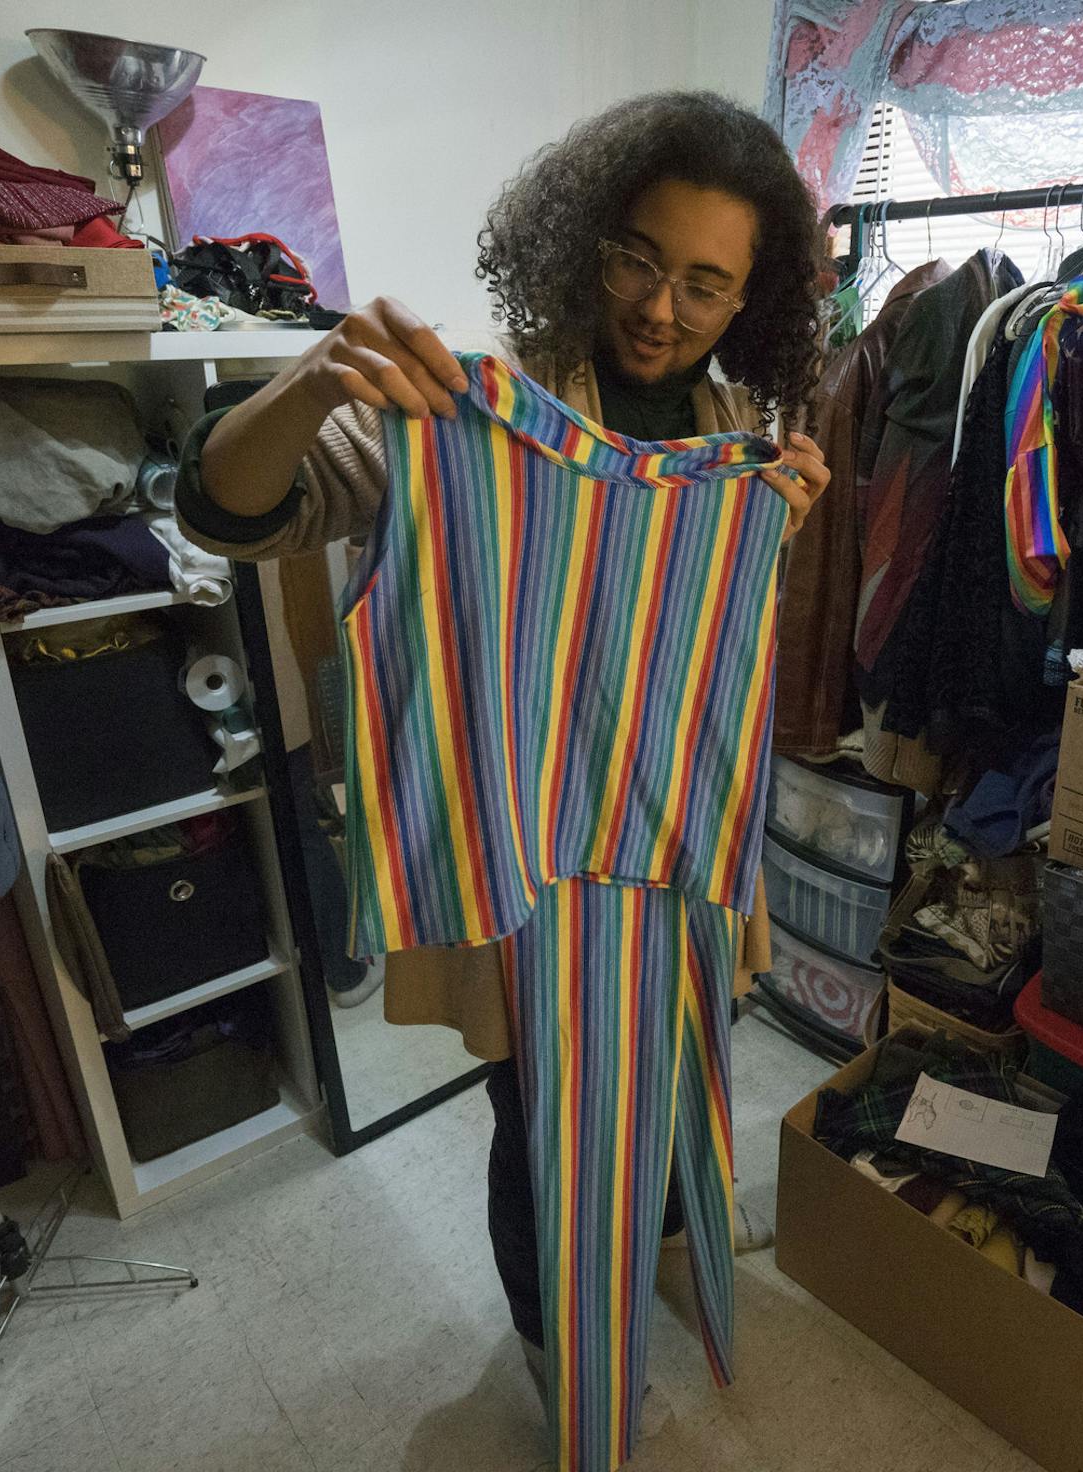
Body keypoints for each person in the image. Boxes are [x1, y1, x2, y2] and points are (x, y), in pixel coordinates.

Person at [175, 89, 829, 1427]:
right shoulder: (467, 409)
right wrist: (314, 375)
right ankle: (553, 1330)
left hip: (671, 832)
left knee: (681, 1047)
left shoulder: (738, 426)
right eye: (639, 258)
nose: (661, 307)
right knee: (539, 1113)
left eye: (706, 284)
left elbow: (693, 626)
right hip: (522, 843)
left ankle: (654, 1239)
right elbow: (225, 511)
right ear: (587, 238)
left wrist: (779, 526)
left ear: (748, 299)